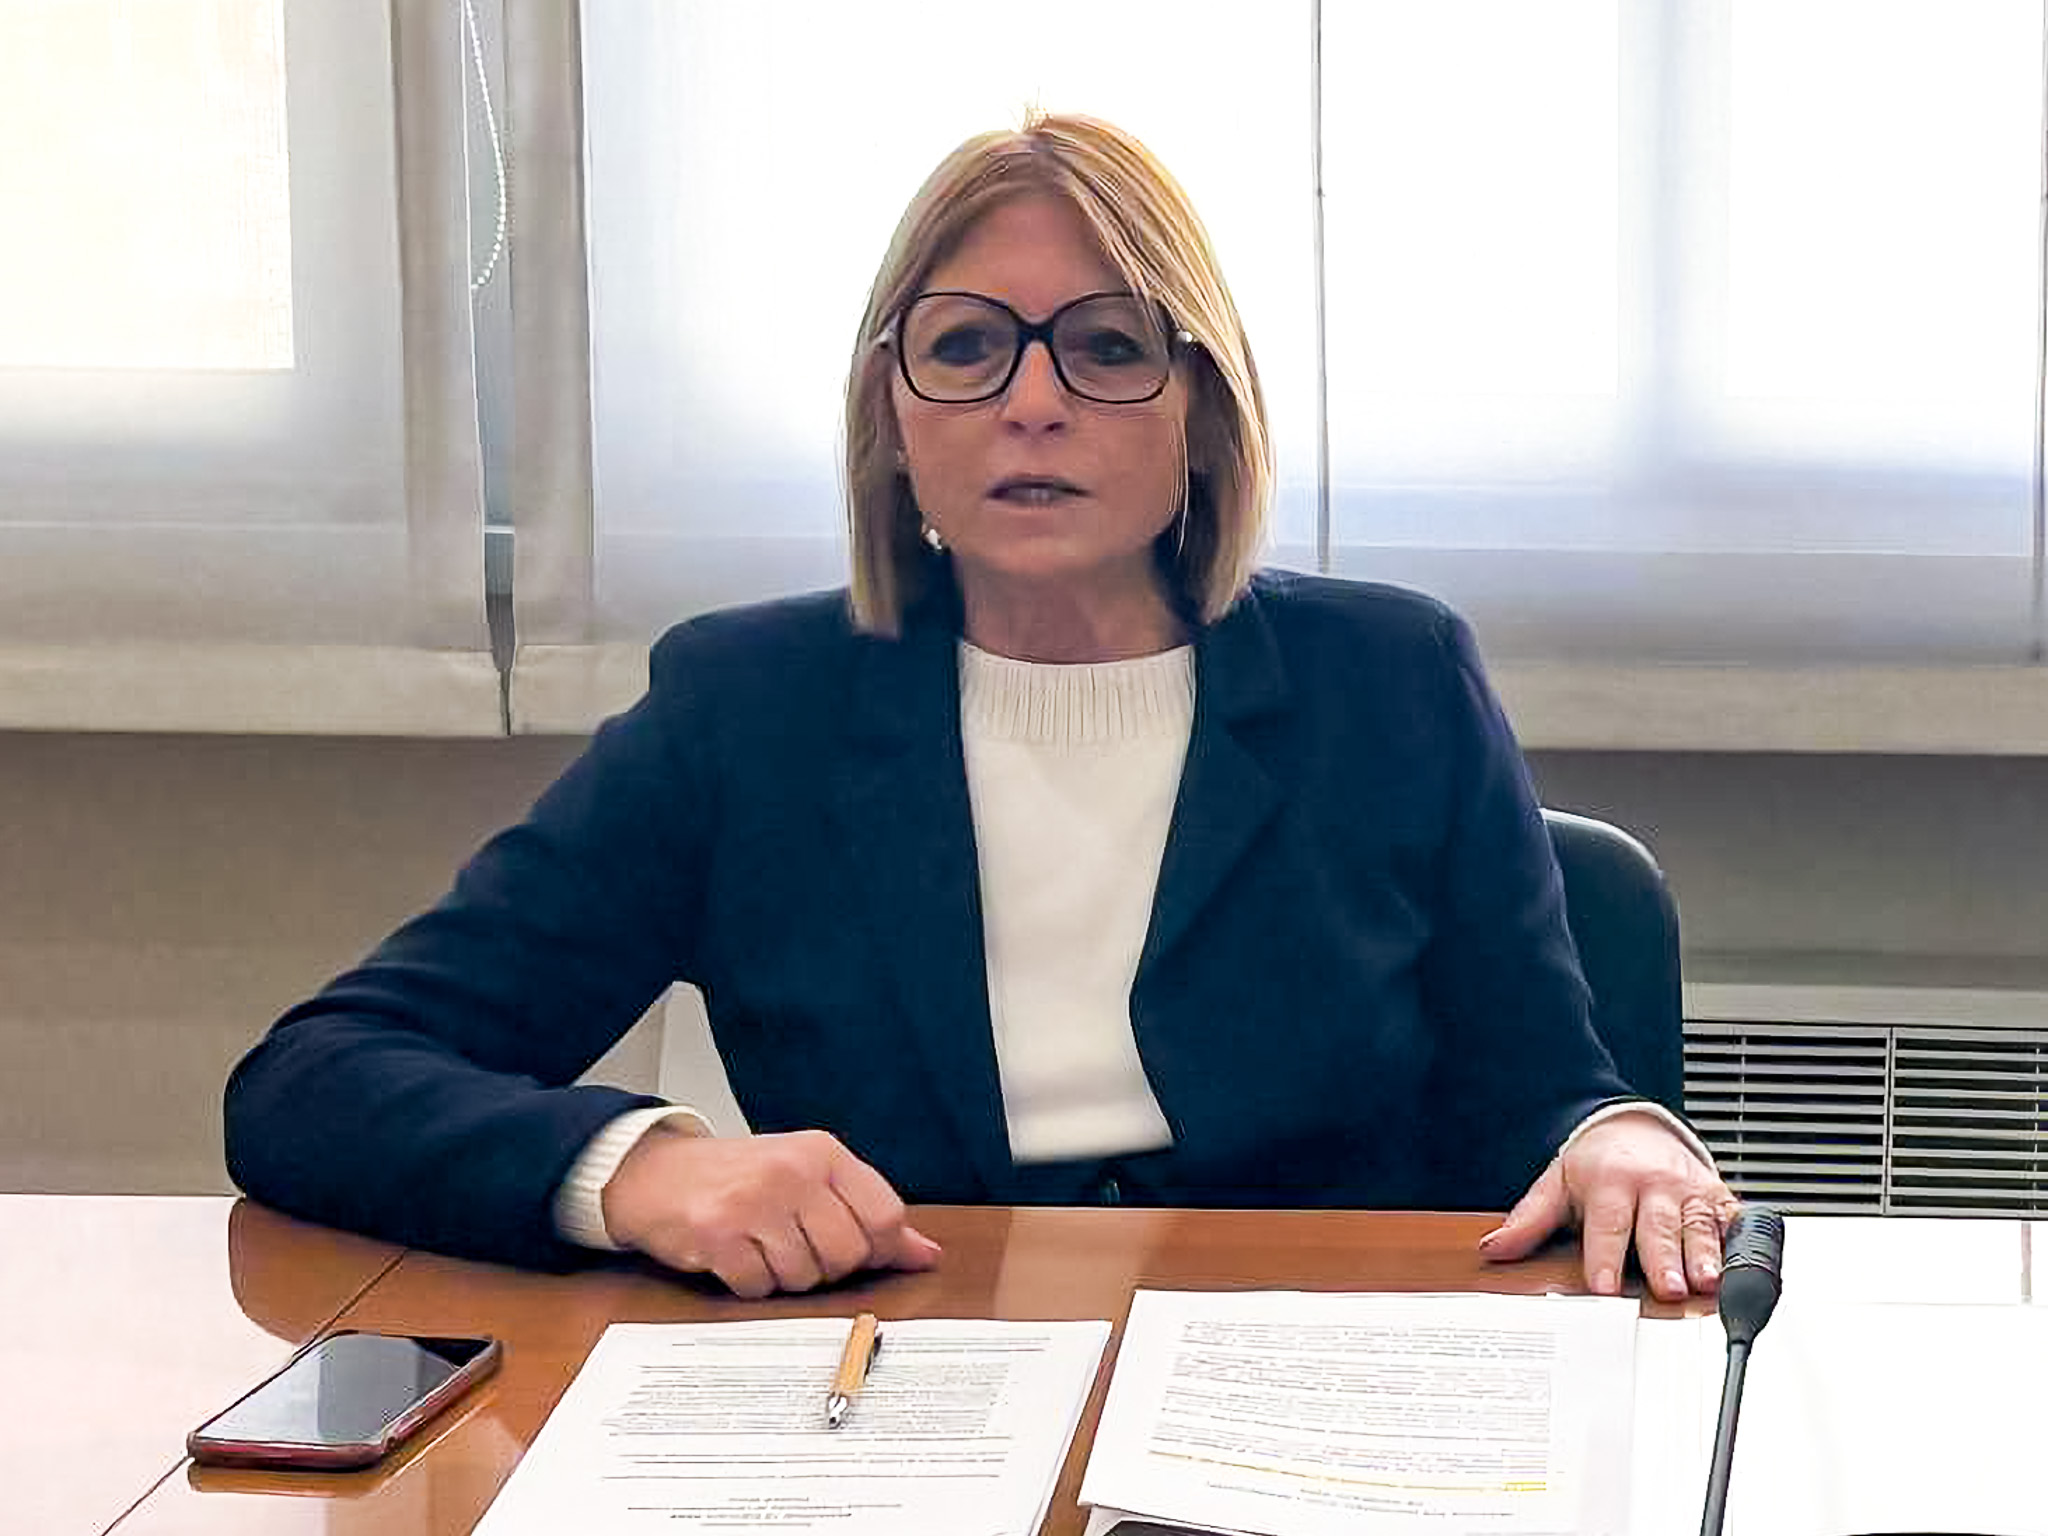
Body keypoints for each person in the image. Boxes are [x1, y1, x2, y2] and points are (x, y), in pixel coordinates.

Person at [224, 111, 1734, 1303]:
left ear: (1203, 414)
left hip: (1306, 1387)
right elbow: (315, 1080)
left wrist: (1623, 1141)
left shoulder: (1392, 683)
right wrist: (641, 1168)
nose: (1032, 401)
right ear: (894, 416)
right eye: (965, 347)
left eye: (1107, 345)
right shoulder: (750, 713)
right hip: (903, 1383)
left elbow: (1548, 1092)